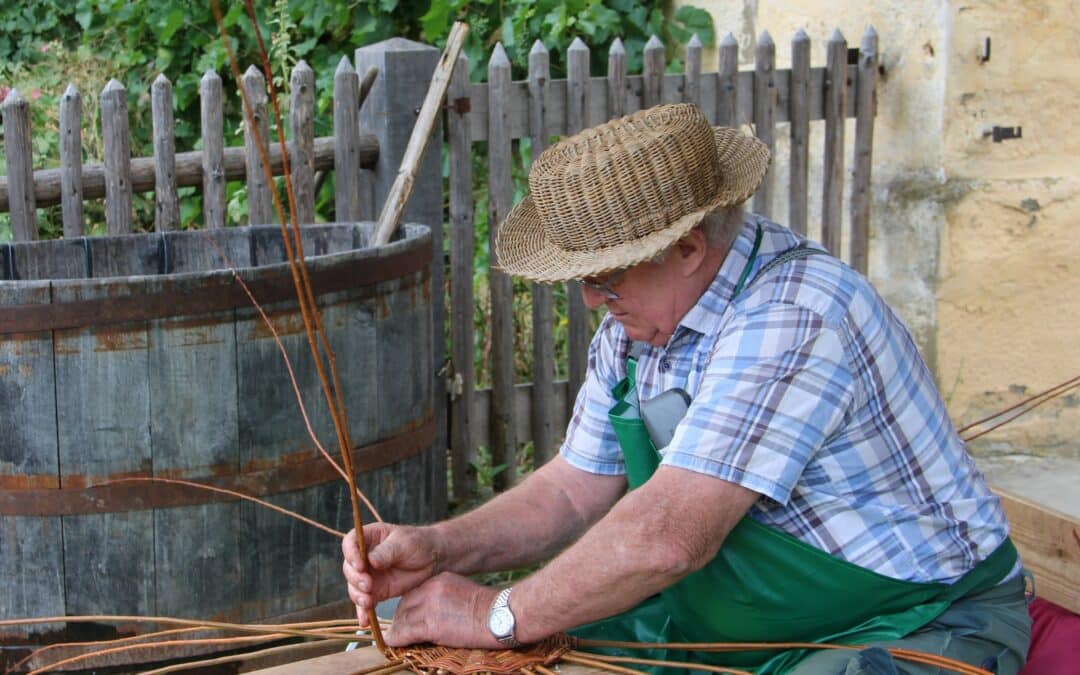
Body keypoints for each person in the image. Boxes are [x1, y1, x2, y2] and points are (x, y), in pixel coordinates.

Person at [342, 103, 1031, 673]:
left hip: (916, 623)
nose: (590, 299)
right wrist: (439, 546)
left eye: (606, 277)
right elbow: (571, 490)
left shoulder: (794, 315)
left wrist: (494, 614)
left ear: (690, 249)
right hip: (745, 625)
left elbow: (669, 538)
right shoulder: (639, 325)